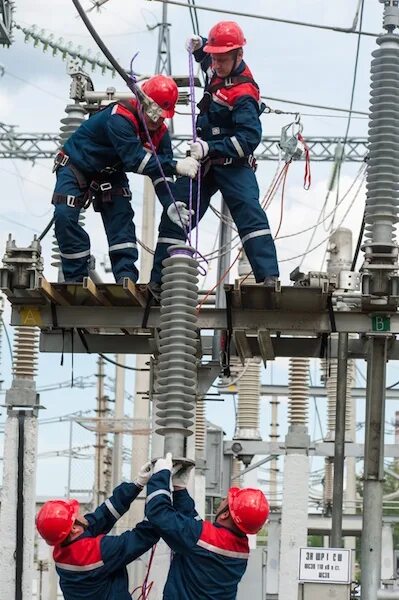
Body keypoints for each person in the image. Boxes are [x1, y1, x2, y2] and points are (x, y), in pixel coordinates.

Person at [150, 21, 279, 291]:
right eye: (214, 58)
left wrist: (211, 148)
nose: (216, 64)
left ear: (238, 56)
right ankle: (157, 281)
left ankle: (268, 277)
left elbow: (249, 139)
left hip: (232, 164)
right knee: (177, 211)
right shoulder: (219, 66)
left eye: (221, 59)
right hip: (205, 163)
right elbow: (208, 63)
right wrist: (199, 48)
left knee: (249, 213)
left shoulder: (244, 94)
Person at [52, 74, 198, 283]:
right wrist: (175, 165)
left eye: (162, 116)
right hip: (76, 167)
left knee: (121, 221)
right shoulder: (119, 118)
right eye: (153, 113)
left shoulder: (159, 134)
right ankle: (75, 278)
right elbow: (134, 160)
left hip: (110, 172)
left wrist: (171, 203)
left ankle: (125, 277)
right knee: (65, 216)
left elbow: (160, 174)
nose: (156, 121)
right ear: (141, 103)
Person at [145, 453, 270, 599]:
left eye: (227, 501)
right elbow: (195, 529)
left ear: (225, 514)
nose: (223, 499)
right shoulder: (241, 548)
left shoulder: (203, 538)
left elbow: (159, 514)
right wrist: (180, 490)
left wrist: (160, 476)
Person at [36, 462, 158, 600]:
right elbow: (144, 536)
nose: (81, 512)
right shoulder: (97, 552)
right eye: (76, 514)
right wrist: (160, 494)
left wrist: (137, 484)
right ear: (74, 528)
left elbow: (103, 516)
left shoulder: (63, 547)